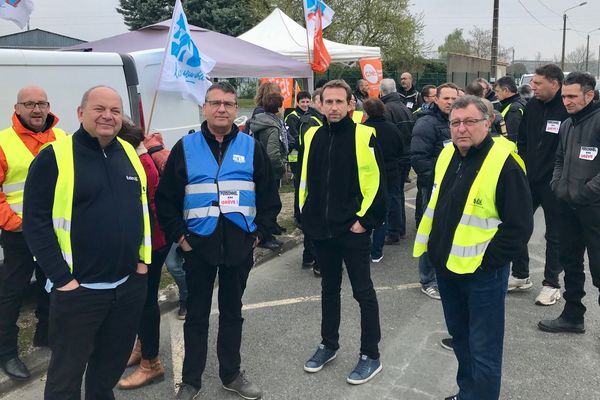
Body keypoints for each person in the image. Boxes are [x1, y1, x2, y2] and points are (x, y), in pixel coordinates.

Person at [22, 85, 151, 399]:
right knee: (66, 376)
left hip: (126, 287)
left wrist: (142, 264)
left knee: (108, 368)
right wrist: (62, 279)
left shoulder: (129, 155)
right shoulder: (54, 156)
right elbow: (35, 223)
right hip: (78, 293)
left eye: (115, 111)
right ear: (81, 113)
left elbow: (142, 210)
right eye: (99, 109)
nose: (108, 116)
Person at [156, 82, 280, 400]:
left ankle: (231, 374)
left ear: (237, 109)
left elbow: (269, 195)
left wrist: (260, 234)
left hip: (239, 246)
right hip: (198, 247)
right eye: (215, 103)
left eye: (228, 103)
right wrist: (179, 238)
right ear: (205, 108)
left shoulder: (251, 147)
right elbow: (166, 199)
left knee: (232, 312)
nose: (221, 108)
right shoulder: (186, 147)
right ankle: (191, 381)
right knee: (196, 314)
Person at [414, 95, 533, 400]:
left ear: (487, 122)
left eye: (469, 122)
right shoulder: (447, 155)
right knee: (462, 341)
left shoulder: (504, 163)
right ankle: (468, 393)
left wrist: (486, 262)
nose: (461, 129)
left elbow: (519, 226)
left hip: (482, 275)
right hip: (447, 268)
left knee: (484, 350)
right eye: (455, 122)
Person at [299, 79, 385, 385]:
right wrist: (305, 218)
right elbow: (305, 180)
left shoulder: (365, 135)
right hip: (322, 230)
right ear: (319, 104)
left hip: (353, 229)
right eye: (328, 102)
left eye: (339, 102)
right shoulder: (313, 135)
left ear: (351, 104)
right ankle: (329, 344)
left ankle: (370, 355)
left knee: (363, 292)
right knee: (328, 290)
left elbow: (378, 182)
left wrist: (365, 221)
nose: (333, 107)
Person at [0, 86, 66, 381]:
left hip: (54, 230)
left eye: (41, 103)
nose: (37, 109)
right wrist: (14, 222)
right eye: (29, 104)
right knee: (11, 293)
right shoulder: (3, 142)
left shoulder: (62, 138)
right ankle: (7, 353)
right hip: (19, 232)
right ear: (17, 108)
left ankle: (46, 335)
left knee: (51, 285)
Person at [538, 72, 600, 334]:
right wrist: (557, 185)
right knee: (571, 262)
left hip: (594, 208)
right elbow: (560, 158)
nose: (567, 101)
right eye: (564, 96)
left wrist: (587, 192)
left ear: (589, 95)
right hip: (567, 205)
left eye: (572, 96)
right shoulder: (567, 124)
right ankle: (573, 315)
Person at [116, 122, 169, 390]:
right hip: (147, 241)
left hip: (149, 243)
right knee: (139, 301)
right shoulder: (139, 154)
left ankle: (152, 363)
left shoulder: (140, 162)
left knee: (146, 302)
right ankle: (141, 346)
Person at [513, 64, 570, 305]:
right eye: (533, 83)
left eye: (538, 83)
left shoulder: (566, 108)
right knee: (516, 225)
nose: (532, 87)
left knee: (554, 234)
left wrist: (559, 177)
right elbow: (523, 138)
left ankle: (551, 284)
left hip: (554, 183)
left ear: (555, 84)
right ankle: (520, 275)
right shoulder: (532, 106)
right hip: (530, 178)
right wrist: (524, 165)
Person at [411, 83, 459, 300]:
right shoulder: (426, 123)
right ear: (435, 100)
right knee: (431, 232)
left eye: (453, 98)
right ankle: (427, 279)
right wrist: (441, 182)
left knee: (451, 232)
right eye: (446, 98)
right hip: (434, 188)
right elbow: (420, 159)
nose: (450, 102)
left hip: (457, 188)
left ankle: (445, 274)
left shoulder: (459, 122)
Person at [363, 98, 404, 263]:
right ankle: (377, 251)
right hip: (392, 173)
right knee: (385, 210)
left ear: (366, 113)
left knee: (366, 210)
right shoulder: (393, 128)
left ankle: (365, 248)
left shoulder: (363, 131)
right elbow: (401, 149)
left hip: (369, 175)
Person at [248, 92, 286, 250]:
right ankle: (266, 236)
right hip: (268, 171)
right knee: (269, 203)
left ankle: (268, 231)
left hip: (255, 167)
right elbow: (272, 153)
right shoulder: (272, 126)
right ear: (278, 108)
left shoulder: (259, 121)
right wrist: (280, 168)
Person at [379, 78, 414, 244]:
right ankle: (400, 229)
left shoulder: (386, 109)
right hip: (406, 155)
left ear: (382, 91)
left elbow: (388, 135)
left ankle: (393, 231)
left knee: (392, 194)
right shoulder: (404, 107)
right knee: (398, 192)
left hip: (394, 158)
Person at [296, 89, 325, 276]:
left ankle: (309, 256)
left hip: (310, 177)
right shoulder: (311, 123)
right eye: (325, 101)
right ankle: (316, 260)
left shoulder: (315, 120)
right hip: (313, 179)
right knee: (315, 220)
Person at [494, 76, 527, 142]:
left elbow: (512, 137)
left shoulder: (514, 109)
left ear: (506, 90)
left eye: (497, 91)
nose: (495, 94)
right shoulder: (521, 102)